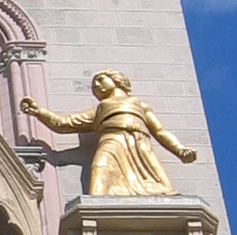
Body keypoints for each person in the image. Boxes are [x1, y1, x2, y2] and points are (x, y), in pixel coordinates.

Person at [20, 69, 196, 199]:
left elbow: (160, 131)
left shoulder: (139, 105)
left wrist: (179, 150)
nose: (96, 85)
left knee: (155, 178)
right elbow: (64, 123)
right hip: (111, 142)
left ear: (117, 79)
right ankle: (97, 202)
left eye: (100, 80)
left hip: (140, 143)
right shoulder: (100, 109)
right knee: (100, 167)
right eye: (94, 85)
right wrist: (39, 112)